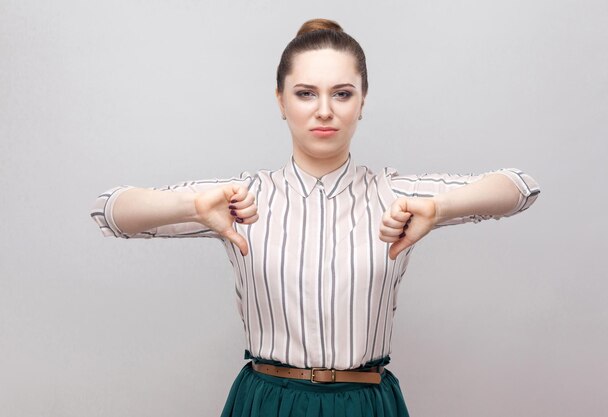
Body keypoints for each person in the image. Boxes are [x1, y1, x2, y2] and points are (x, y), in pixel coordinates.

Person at [90, 18, 540, 417]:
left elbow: (519, 188)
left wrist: (439, 208)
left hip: (365, 403)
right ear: (281, 101)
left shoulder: (396, 195)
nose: (324, 110)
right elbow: (110, 210)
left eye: (342, 93)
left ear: (362, 101)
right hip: (269, 403)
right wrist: (193, 206)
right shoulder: (239, 197)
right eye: (306, 93)